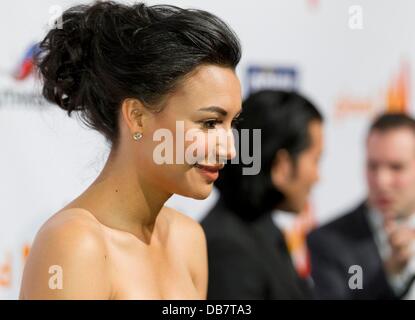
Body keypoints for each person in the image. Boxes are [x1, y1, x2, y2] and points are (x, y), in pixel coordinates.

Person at [19, 1, 242, 299]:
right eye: (210, 123)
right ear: (137, 117)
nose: (229, 150)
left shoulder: (188, 239)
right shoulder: (74, 243)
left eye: (232, 123)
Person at [202, 90, 324, 299]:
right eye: (315, 160)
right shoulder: (229, 250)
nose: (317, 177)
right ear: (282, 166)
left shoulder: (262, 228)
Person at [308, 113, 415, 299]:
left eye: (396, 167)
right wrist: (390, 274)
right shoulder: (329, 241)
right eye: (373, 166)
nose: (381, 181)